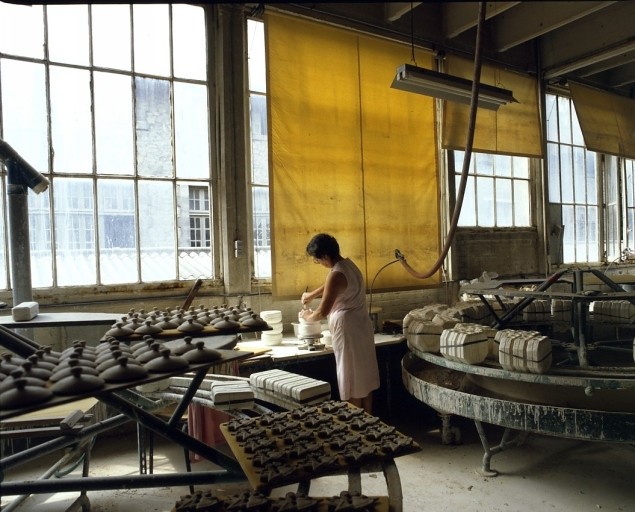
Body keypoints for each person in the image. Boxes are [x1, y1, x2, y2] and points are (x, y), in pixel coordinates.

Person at [299, 233, 380, 414]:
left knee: (351, 380)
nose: (319, 263)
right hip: (362, 328)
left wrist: (307, 316)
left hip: (349, 331)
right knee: (364, 380)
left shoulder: (336, 275)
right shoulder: (348, 265)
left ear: (326, 256)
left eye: (318, 260)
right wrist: (312, 294)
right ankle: (369, 422)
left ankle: (356, 427)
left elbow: (322, 312)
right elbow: (332, 284)